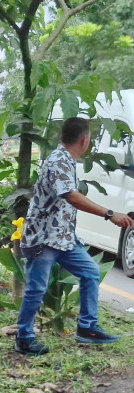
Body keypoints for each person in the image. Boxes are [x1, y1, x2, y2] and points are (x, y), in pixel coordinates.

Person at [15, 117, 133, 355]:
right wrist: (109, 213)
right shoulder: (59, 160)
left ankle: (87, 328)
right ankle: (24, 337)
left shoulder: (66, 160)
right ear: (84, 140)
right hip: (44, 238)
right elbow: (70, 195)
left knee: (90, 272)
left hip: (63, 238)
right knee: (36, 289)